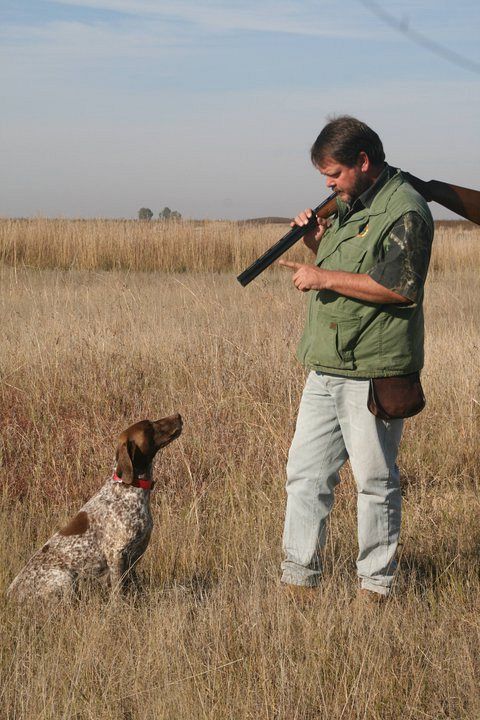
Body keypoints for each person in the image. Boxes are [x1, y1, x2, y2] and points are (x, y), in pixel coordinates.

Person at [279, 115, 434, 600]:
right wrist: (317, 244)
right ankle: (299, 580)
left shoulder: (405, 209)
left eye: (334, 173)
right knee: (305, 477)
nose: (328, 184)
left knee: (374, 482)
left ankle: (375, 588)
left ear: (363, 161)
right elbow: (352, 266)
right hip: (327, 364)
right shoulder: (351, 205)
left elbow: (399, 288)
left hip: (373, 369)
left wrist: (321, 277)